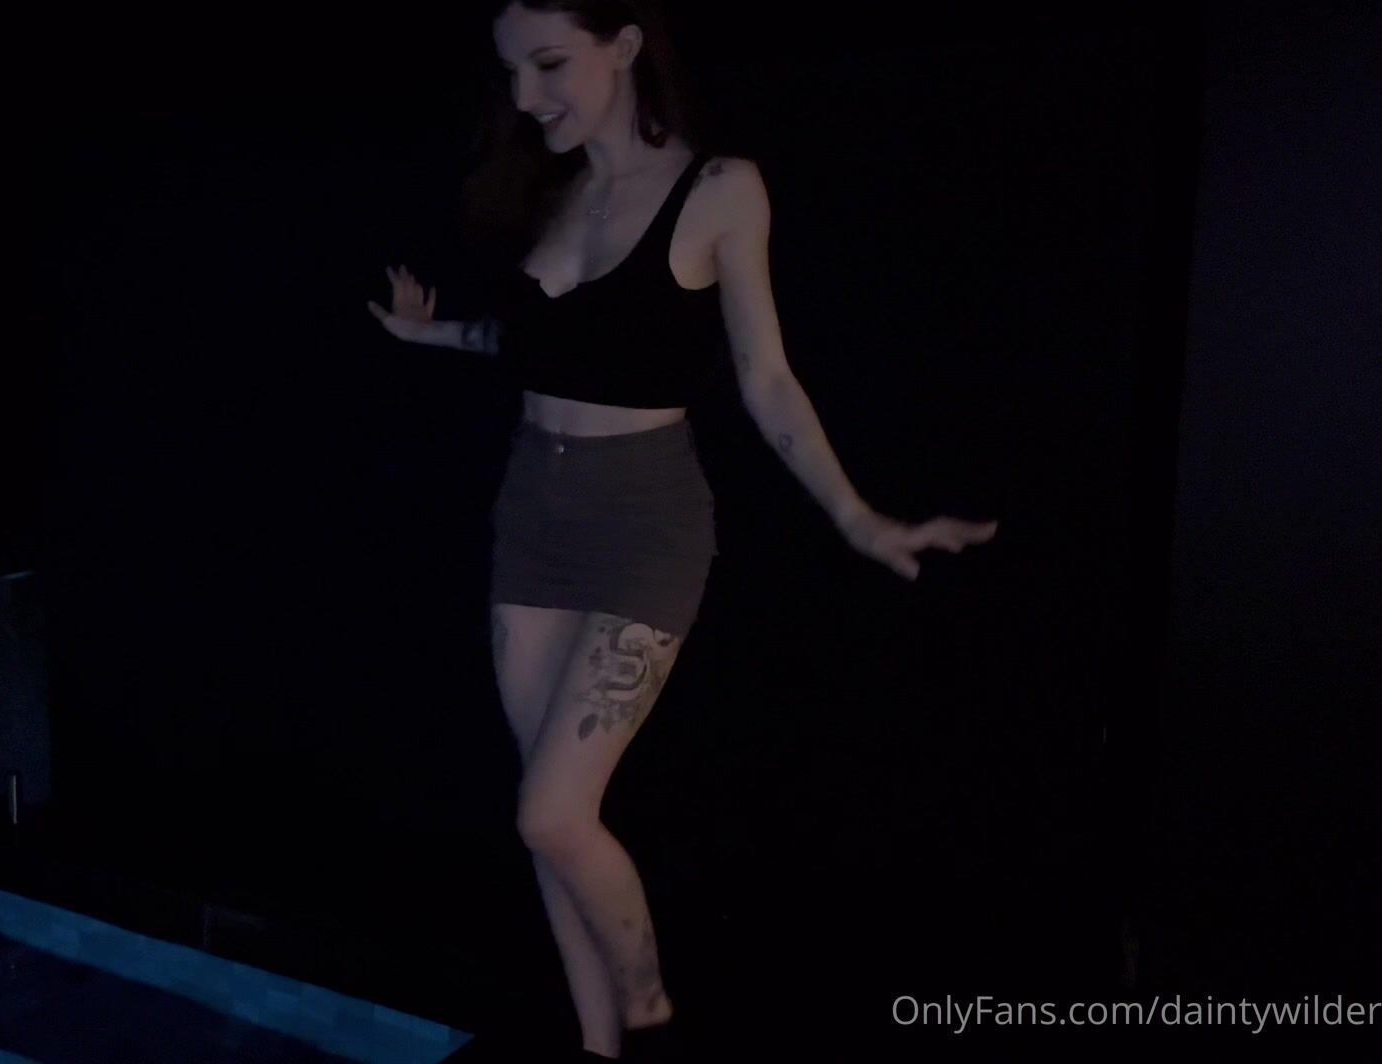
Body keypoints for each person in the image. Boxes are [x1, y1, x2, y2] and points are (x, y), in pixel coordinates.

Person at [366, 2, 1000, 1059]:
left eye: (548, 64)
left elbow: (765, 377)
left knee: (551, 813)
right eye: (511, 73)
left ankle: (650, 1013)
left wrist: (855, 516)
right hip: (532, 509)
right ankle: (596, 1042)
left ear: (623, 46)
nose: (525, 96)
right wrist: (426, 336)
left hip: (643, 518)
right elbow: (537, 347)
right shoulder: (552, 190)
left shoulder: (717, 188)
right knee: (544, 819)